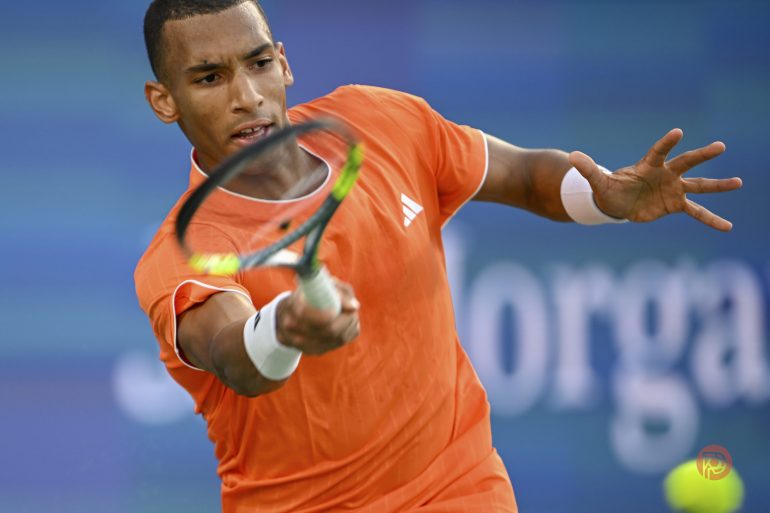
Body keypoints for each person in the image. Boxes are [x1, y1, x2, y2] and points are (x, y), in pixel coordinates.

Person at [134, 1, 742, 512]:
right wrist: (284, 329)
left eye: (259, 63)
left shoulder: (379, 121)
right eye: (209, 78)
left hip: (461, 486)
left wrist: (603, 198)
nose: (247, 96)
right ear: (165, 101)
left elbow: (521, 175)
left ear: (284, 63)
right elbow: (235, 357)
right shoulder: (181, 256)